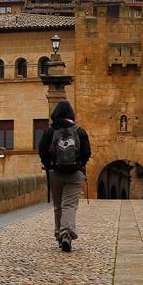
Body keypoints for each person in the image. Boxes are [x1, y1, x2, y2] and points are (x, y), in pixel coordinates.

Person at [39, 100, 92, 252]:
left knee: (58, 206)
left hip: (55, 173)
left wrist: (49, 165)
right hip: (75, 174)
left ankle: (59, 235)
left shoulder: (50, 131)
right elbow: (87, 152)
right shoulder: (79, 130)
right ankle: (66, 234)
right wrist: (80, 165)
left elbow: (42, 149)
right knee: (69, 205)